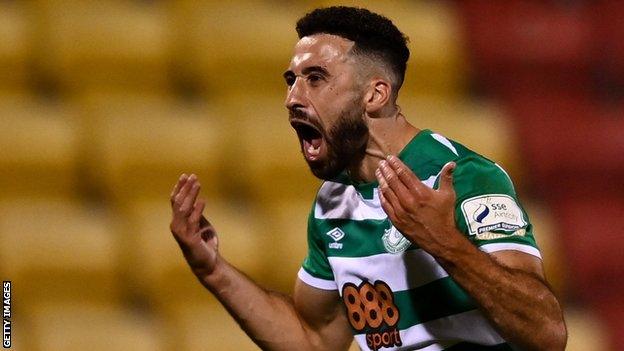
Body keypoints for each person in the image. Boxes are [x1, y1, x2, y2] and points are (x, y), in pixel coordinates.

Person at [169, 6, 567, 351]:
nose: (292, 98)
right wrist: (213, 270)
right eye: (292, 80)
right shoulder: (332, 204)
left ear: (375, 95)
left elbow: (547, 334)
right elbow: (316, 339)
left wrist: (445, 243)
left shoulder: (462, 177)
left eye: (316, 78)